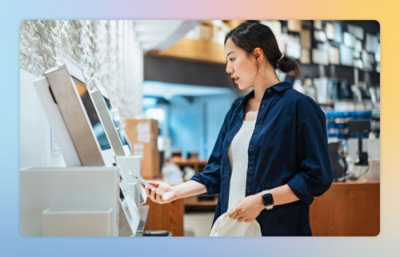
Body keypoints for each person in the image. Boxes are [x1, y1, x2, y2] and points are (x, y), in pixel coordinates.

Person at [144, 21, 333, 236]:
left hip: (276, 232)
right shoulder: (236, 109)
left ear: (257, 55)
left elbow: (317, 177)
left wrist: (263, 200)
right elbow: (216, 172)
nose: (228, 68)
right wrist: (175, 191)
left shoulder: (300, 107)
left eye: (232, 58)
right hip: (229, 231)